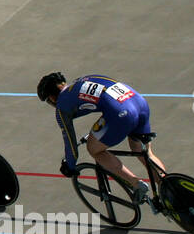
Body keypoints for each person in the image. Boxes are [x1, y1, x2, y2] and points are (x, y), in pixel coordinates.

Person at [36, 72, 164, 206]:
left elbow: (70, 142)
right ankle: (169, 188)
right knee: (143, 151)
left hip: (121, 113)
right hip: (139, 102)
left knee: (93, 149)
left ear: (51, 97)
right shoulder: (83, 80)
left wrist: (70, 165)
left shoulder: (61, 106)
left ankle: (136, 184)